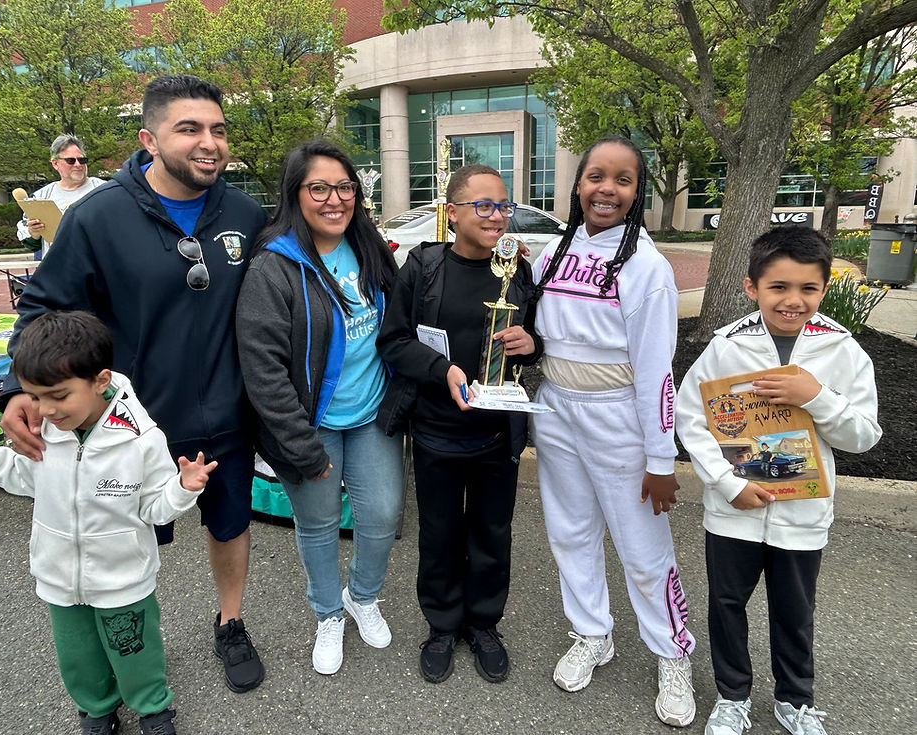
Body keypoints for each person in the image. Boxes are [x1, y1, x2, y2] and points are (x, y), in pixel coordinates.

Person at [0, 74, 269, 694]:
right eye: (190, 129)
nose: (210, 143)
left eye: (218, 129)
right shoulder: (97, 218)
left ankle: (230, 622)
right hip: (130, 426)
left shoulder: (247, 215)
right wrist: (20, 388)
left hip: (225, 415)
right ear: (149, 139)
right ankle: (128, 647)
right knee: (124, 543)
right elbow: (41, 311)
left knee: (228, 524)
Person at [0, 311, 217, 735]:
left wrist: (183, 487)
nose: (46, 410)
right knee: (78, 655)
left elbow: (154, 511)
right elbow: (12, 472)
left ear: (101, 380)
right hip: (58, 576)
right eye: (35, 396)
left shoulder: (142, 439)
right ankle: (97, 708)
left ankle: (153, 707)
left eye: (59, 395)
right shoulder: (44, 429)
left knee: (134, 649)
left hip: (124, 578)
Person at [676, 226, 882, 735]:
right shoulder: (728, 346)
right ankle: (732, 696)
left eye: (808, 289)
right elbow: (691, 417)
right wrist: (727, 483)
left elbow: (864, 435)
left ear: (824, 288)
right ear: (752, 287)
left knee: (794, 611)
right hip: (735, 512)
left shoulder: (841, 350)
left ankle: (795, 699)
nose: (793, 301)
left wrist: (816, 396)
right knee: (726, 606)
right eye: (779, 288)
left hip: (802, 514)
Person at [528, 136, 695, 726]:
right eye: (596, 176)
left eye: (623, 180)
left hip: (618, 416)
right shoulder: (549, 253)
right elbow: (542, 331)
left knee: (643, 549)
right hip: (555, 410)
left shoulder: (647, 267)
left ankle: (672, 652)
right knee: (570, 534)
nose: (607, 189)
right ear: (577, 184)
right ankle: (592, 633)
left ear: (636, 191)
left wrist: (660, 456)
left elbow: (656, 371)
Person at [235, 140, 403, 676]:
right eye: (320, 188)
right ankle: (328, 613)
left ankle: (363, 597)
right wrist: (299, 444)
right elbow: (262, 368)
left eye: (345, 187)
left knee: (381, 515)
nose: (335, 199)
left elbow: (397, 329)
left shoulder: (369, 247)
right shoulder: (275, 265)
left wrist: (403, 395)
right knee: (318, 522)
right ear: (296, 194)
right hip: (311, 426)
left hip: (373, 415)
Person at [377, 163, 542, 684]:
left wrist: (530, 345)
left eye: (504, 206)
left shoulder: (517, 269)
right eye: (484, 206)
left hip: (497, 433)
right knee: (441, 533)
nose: (497, 216)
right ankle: (443, 625)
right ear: (453, 213)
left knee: (493, 532)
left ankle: (484, 624)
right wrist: (441, 369)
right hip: (435, 431)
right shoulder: (422, 269)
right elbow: (394, 341)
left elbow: (535, 335)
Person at [16, 134, 106, 259]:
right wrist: (34, 232)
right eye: (70, 160)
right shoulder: (40, 197)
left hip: (99, 271)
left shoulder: (105, 190)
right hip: (58, 272)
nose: (78, 165)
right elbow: (31, 244)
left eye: (82, 160)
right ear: (55, 163)